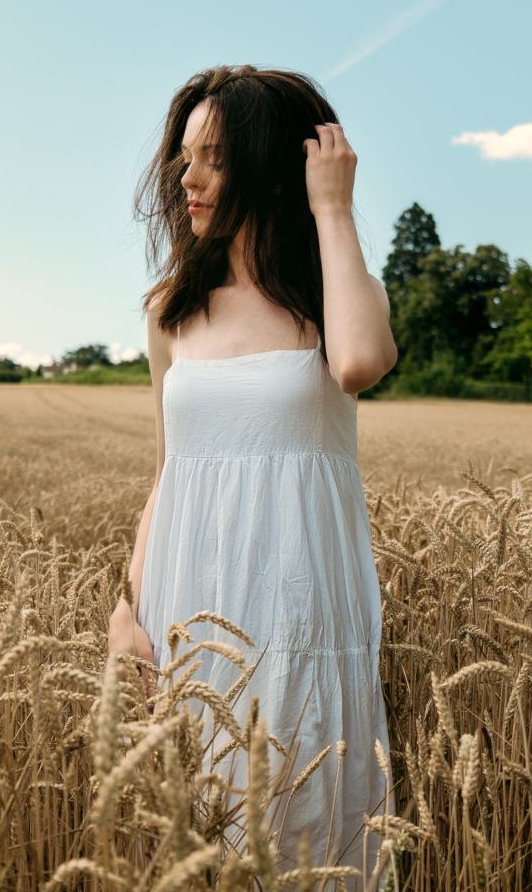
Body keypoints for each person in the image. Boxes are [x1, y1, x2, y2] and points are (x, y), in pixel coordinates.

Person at [108, 65, 398, 877]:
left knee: (310, 838)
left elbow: (360, 363)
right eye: (184, 157)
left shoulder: (340, 300)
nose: (187, 179)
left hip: (301, 619)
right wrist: (127, 609)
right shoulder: (169, 311)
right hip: (187, 619)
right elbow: (169, 472)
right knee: (189, 842)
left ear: (272, 169)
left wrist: (332, 208)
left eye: (215, 159)